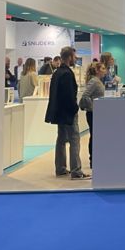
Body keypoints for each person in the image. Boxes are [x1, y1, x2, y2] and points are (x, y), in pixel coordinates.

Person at [45, 46, 89, 180]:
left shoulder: (57, 72)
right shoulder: (67, 74)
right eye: (74, 57)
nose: (75, 59)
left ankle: (61, 168)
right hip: (68, 113)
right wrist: (75, 109)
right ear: (69, 57)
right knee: (74, 140)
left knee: (61, 139)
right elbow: (69, 95)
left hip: (59, 112)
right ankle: (76, 171)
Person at [80, 62, 106, 168]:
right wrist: (92, 108)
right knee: (94, 136)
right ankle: (93, 160)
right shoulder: (94, 81)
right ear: (97, 70)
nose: (105, 70)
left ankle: (96, 159)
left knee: (96, 135)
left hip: (96, 113)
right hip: (93, 114)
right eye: (103, 68)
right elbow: (85, 95)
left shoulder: (97, 81)